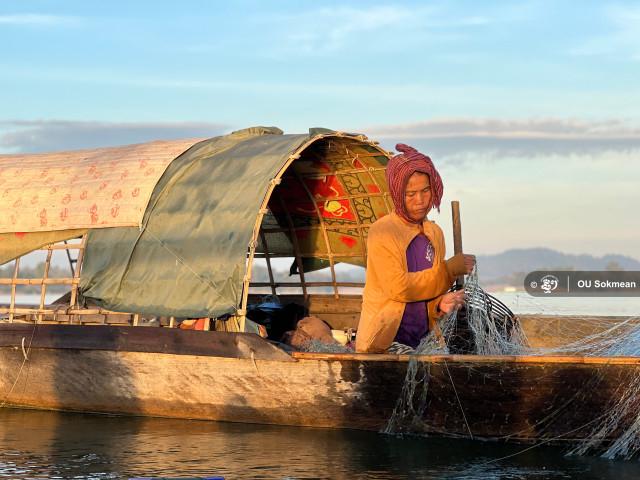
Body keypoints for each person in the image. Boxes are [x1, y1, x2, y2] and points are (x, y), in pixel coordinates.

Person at [356, 144, 475, 354]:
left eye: (426, 191)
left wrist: (440, 304)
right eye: (410, 194)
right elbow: (400, 288)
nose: (420, 201)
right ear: (396, 193)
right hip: (384, 343)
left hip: (422, 340)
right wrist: (448, 270)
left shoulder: (434, 233)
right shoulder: (383, 231)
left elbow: (428, 290)